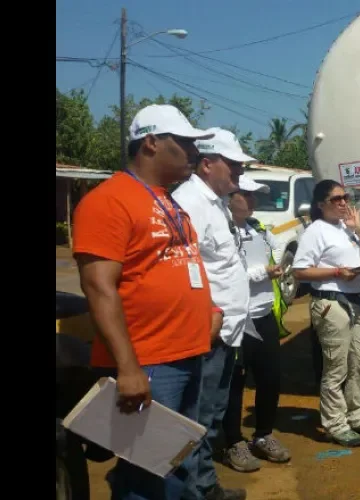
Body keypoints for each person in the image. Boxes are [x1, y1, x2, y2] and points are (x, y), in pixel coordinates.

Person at [72, 104, 220, 499]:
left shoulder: (168, 202)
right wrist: (128, 368)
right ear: (152, 143)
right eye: (185, 143)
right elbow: (99, 287)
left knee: (178, 463)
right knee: (148, 475)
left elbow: (184, 265)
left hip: (186, 352)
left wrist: (211, 311)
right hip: (148, 360)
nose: (194, 153)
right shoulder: (109, 201)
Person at [172, 128, 254, 500]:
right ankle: (194, 491)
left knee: (212, 415)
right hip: (207, 331)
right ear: (207, 164)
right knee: (195, 419)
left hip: (227, 331)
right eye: (232, 165)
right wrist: (212, 313)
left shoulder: (215, 202)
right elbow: (185, 268)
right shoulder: (189, 203)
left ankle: (205, 486)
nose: (237, 174)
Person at [292, 180, 360, 447]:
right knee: (336, 367)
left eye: (346, 197)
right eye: (337, 199)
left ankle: (355, 415)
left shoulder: (347, 228)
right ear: (321, 205)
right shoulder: (316, 231)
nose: (344, 202)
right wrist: (335, 272)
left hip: (355, 301)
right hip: (331, 303)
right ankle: (335, 423)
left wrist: (359, 228)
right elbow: (300, 271)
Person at [221, 176, 290, 472]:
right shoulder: (222, 232)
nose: (252, 201)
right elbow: (227, 275)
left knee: (270, 379)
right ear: (230, 196)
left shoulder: (258, 229)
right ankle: (233, 442)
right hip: (237, 320)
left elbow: (285, 254)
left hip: (263, 316)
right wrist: (264, 272)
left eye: (256, 196)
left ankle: (263, 435)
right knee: (235, 383)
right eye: (246, 195)